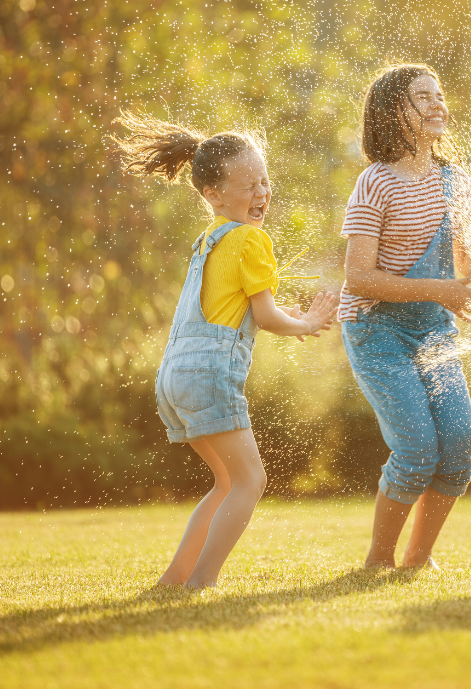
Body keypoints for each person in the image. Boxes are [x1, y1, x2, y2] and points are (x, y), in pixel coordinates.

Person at [111, 112, 337, 588]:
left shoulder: (208, 241)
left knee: (227, 483)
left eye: (265, 182)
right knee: (250, 482)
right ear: (213, 194)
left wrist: (291, 319)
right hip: (208, 375)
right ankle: (203, 579)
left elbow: (243, 310)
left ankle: (176, 579)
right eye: (249, 184)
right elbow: (269, 317)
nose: (261, 194)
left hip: (174, 376)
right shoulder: (252, 239)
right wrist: (310, 321)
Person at [340, 64, 471, 569]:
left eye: (439, 94)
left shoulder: (455, 181)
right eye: (421, 97)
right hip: (376, 330)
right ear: (393, 112)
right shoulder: (376, 183)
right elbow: (359, 279)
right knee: (416, 449)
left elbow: (461, 266)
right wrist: (444, 290)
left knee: (457, 451)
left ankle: (418, 558)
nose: (437, 104)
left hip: (434, 329)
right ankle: (379, 559)